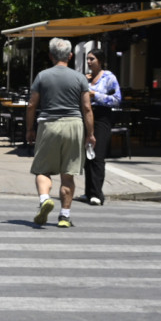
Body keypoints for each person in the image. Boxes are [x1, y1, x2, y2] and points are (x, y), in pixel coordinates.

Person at [25, 38, 94, 228]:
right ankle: (64, 216)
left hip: (49, 125)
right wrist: (90, 134)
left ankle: (45, 198)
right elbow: (87, 108)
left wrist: (30, 129)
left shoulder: (42, 76)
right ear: (70, 56)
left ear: (50, 56)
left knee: (42, 170)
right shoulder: (80, 78)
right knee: (68, 175)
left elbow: (32, 105)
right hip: (74, 125)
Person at [78, 48, 121, 206]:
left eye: (92, 59)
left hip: (102, 117)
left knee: (98, 154)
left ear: (100, 61)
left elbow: (117, 99)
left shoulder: (109, 77)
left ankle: (97, 193)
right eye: (88, 59)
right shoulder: (85, 79)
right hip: (86, 116)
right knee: (87, 155)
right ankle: (88, 191)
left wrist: (96, 96)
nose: (89, 62)